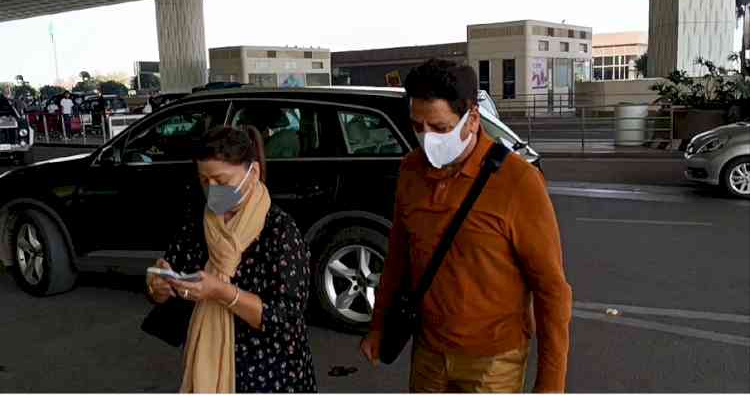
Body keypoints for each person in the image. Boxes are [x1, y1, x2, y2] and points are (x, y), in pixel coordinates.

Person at [360, 59, 572, 393]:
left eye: (440, 128)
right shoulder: (411, 171)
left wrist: (551, 384)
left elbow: (552, 291)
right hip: (428, 350)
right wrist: (378, 327)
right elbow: (399, 257)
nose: (427, 139)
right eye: (418, 126)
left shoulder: (519, 182)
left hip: (494, 362)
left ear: (472, 119)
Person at [146, 126, 317, 393]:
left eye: (222, 181)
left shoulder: (280, 231)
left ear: (254, 173)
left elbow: (286, 317)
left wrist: (222, 292)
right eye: (205, 181)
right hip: (207, 362)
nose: (213, 190)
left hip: (271, 373)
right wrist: (160, 286)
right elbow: (173, 276)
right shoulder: (197, 223)